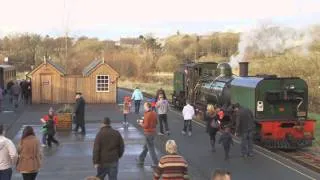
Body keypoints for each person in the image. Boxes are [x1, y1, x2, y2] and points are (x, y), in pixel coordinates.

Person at [136, 102, 158, 167]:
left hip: (148, 133)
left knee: (151, 149)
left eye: (144, 106)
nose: (143, 107)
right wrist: (143, 121)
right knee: (146, 147)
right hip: (153, 132)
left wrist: (140, 124)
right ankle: (141, 158)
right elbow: (156, 122)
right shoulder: (154, 113)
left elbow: (145, 126)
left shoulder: (147, 114)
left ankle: (155, 162)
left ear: (146, 107)